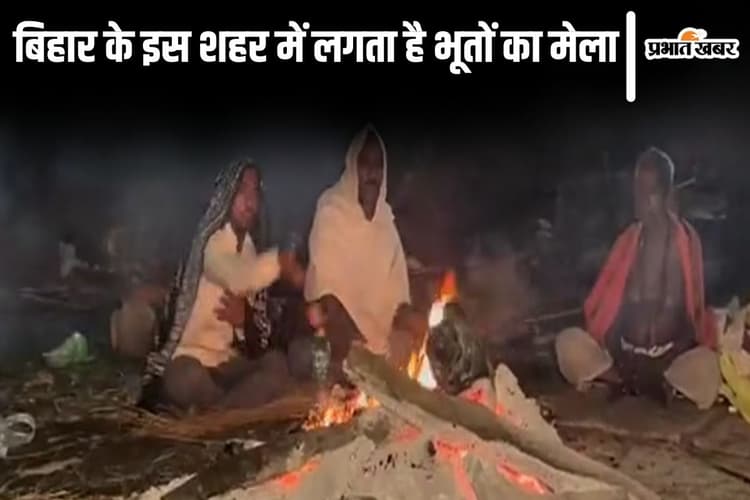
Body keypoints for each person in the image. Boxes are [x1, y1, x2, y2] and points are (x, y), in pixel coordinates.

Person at [121, 160, 303, 412]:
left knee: (276, 364)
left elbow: (258, 334)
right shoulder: (208, 243)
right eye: (241, 190)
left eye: (255, 192)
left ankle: (219, 410)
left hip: (224, 362)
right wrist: (281, 262)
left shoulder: (250, 250)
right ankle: (229, 409)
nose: (250, 201)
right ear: (225, 195)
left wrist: (244, 321)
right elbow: (240, 278)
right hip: (188, 359)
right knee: (186, 379)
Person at [555, 147, 720, 409]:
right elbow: (608, 312)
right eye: (637, 192)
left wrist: (660, 365)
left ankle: (660, 383)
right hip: (623, 359)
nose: (640, 201)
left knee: (707, 371)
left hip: (667, 362)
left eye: (649, 192)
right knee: (568, 343)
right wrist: (623, 360)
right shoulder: (627, 241)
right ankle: (618, 380)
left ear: (667, 195)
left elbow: (691, 321)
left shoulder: (686, 244)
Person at [303, 125, 427, 378]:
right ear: (352, 167)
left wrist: (412, 323)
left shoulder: (385, 223)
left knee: (419, 332)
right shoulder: (331, 211)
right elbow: (328, 298)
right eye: (365, 163)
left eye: (378, 165)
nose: (372, 172)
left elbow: (398, 301)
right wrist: (362, 352)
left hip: (381, 350)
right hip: (337, 341)